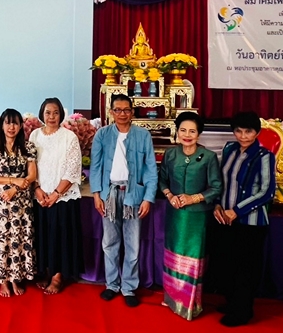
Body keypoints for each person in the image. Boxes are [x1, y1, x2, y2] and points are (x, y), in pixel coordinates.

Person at [89, 93, 158, 307]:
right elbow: (95, 166)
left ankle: (129, 287)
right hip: (109, 194)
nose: (122, 114)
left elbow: (151, 169)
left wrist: (148, 198)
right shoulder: (102, 134)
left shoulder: (143, 135)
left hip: (133, 195)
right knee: (110, 242)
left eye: (126, 110)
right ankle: (112, 285)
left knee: (132, 244)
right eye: (117, 110)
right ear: (111, 112)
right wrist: (96, 194)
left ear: (132, 112)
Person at [211, 111, 276, 327]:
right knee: (227, 264)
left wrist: (237, 211)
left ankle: (242, 312)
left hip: (251, 223)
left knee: (246, 269)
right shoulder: (229, 149)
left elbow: (267, 192)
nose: (243, 136)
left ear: (257, 132)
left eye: (248, 131)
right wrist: (217, 203)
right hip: (225, 220)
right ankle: (232, 303)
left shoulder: (264, 156)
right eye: (238, 131)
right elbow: (220, 181)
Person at [159, 112, 222, 320]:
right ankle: (172, 299)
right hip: (175, 214)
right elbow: (162, 180)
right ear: (177, 132)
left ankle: (189, 304)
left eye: (192, 131)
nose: (187, 135)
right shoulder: (170, 154)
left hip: (197, 217)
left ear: (199, 134)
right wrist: (170, 196)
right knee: (174, 256)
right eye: (183, 130)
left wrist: (193, 198)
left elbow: (216, 188)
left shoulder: (209, 157)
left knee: (192, 260)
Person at [29, 98, 83, 295]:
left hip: (62, 198)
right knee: (42, 235)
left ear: (61, 114)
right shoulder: (34, 135)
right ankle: (45, 270)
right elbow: (29, 164)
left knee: (59, 237)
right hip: (40, 196)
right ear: (42, 114)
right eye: (47, 112)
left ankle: (58, 276)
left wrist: (56, 194)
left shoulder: (69, 137)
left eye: (55, 112)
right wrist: (37, 189)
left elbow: (72, 169)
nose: (51, 117)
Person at [0, 108, 37, 297]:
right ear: (2, 125)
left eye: (15, 123)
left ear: (21, 126)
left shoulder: (28, 147)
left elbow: (32, 175)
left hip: (21, 203)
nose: (11, 127)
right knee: (1, 239)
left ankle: (16, 278)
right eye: (7, 123)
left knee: (18, 240)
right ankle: (3, 280)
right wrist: (13, 181)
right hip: (0, 203)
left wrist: (16, 188)